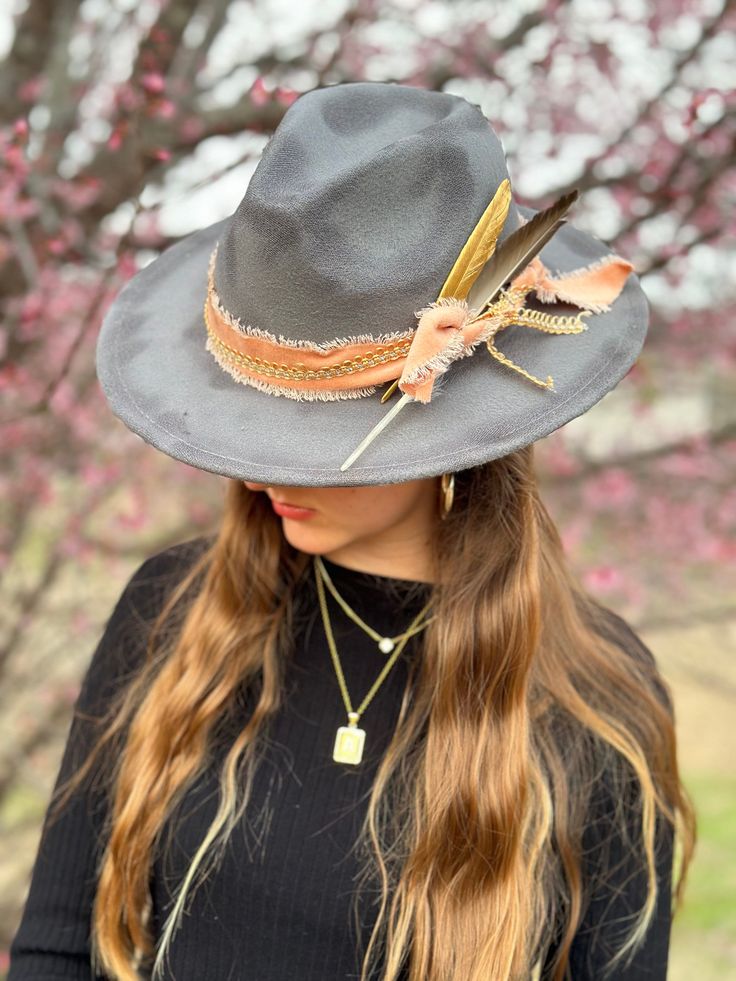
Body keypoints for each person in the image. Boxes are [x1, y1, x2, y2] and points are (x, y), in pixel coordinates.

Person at [9, 81, 695, 981]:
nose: (254, 475)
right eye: (254, 425)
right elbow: (57, 948)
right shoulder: (169, 615)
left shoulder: (595, 704)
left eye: (304, 437)